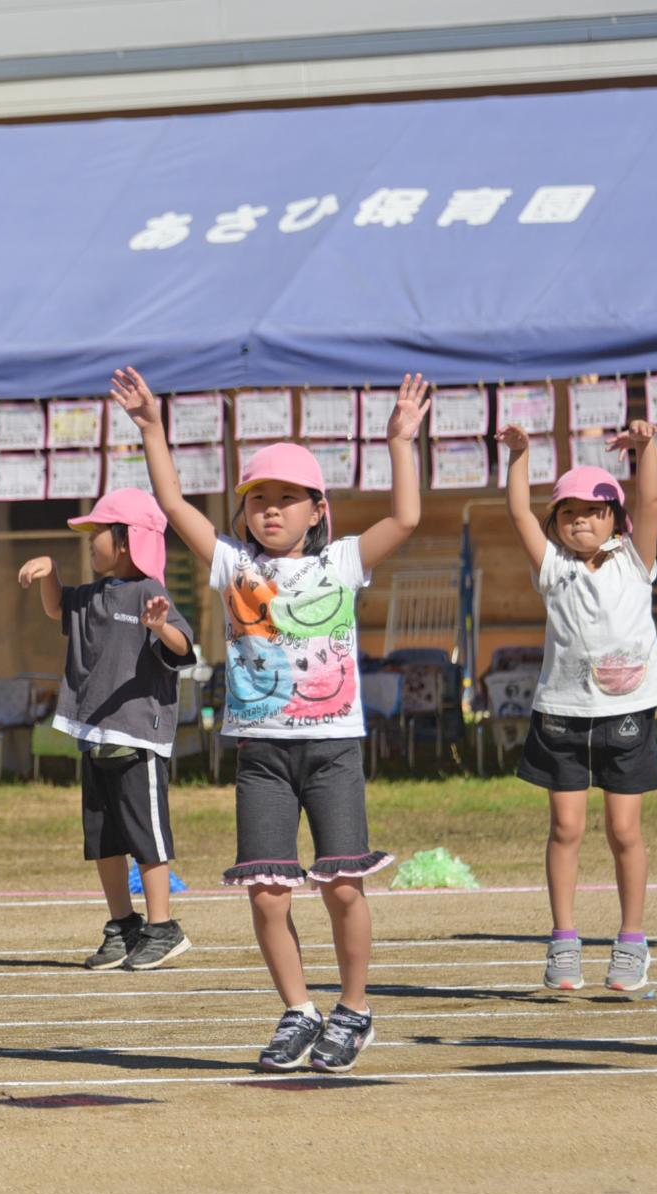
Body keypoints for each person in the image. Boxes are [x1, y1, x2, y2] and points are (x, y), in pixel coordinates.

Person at [128, 366, 428, 1075]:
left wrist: (400, 442)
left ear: (317, 509)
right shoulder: (233, 563)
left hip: (331, 749)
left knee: (342, 885)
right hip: (261, 751)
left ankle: (353, 1007)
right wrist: (151, 428)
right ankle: (299, 1008)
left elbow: (408, 518)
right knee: (267, 894)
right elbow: (173, 504)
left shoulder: (342, 563)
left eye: (287, 499)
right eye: (259, 498)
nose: (271, 510)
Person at [503, 419, 657, 994]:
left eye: (595, 511)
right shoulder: (553, 568)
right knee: (566, 827)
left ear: (615, 520)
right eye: (569, 512)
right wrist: (521, 456)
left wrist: (646, 449)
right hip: (562, 715)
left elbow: (649, 496)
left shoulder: (635, 560)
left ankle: (631, 941)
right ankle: (564, 940)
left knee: (625, 831)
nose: (581, 520)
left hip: (627, 717)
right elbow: (520, 512)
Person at [19, 488, 197, 971]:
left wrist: (161, 627)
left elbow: (183, 647)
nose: (90, 541)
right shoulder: (92, 595)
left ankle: (163, 927)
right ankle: (124, 925)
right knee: (102, 840)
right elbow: (59, 609)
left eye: (97, 532)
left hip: (137, 739)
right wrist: (50, 575)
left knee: (147, 838)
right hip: (94, 735)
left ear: (126, 541)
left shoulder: (148, 592)